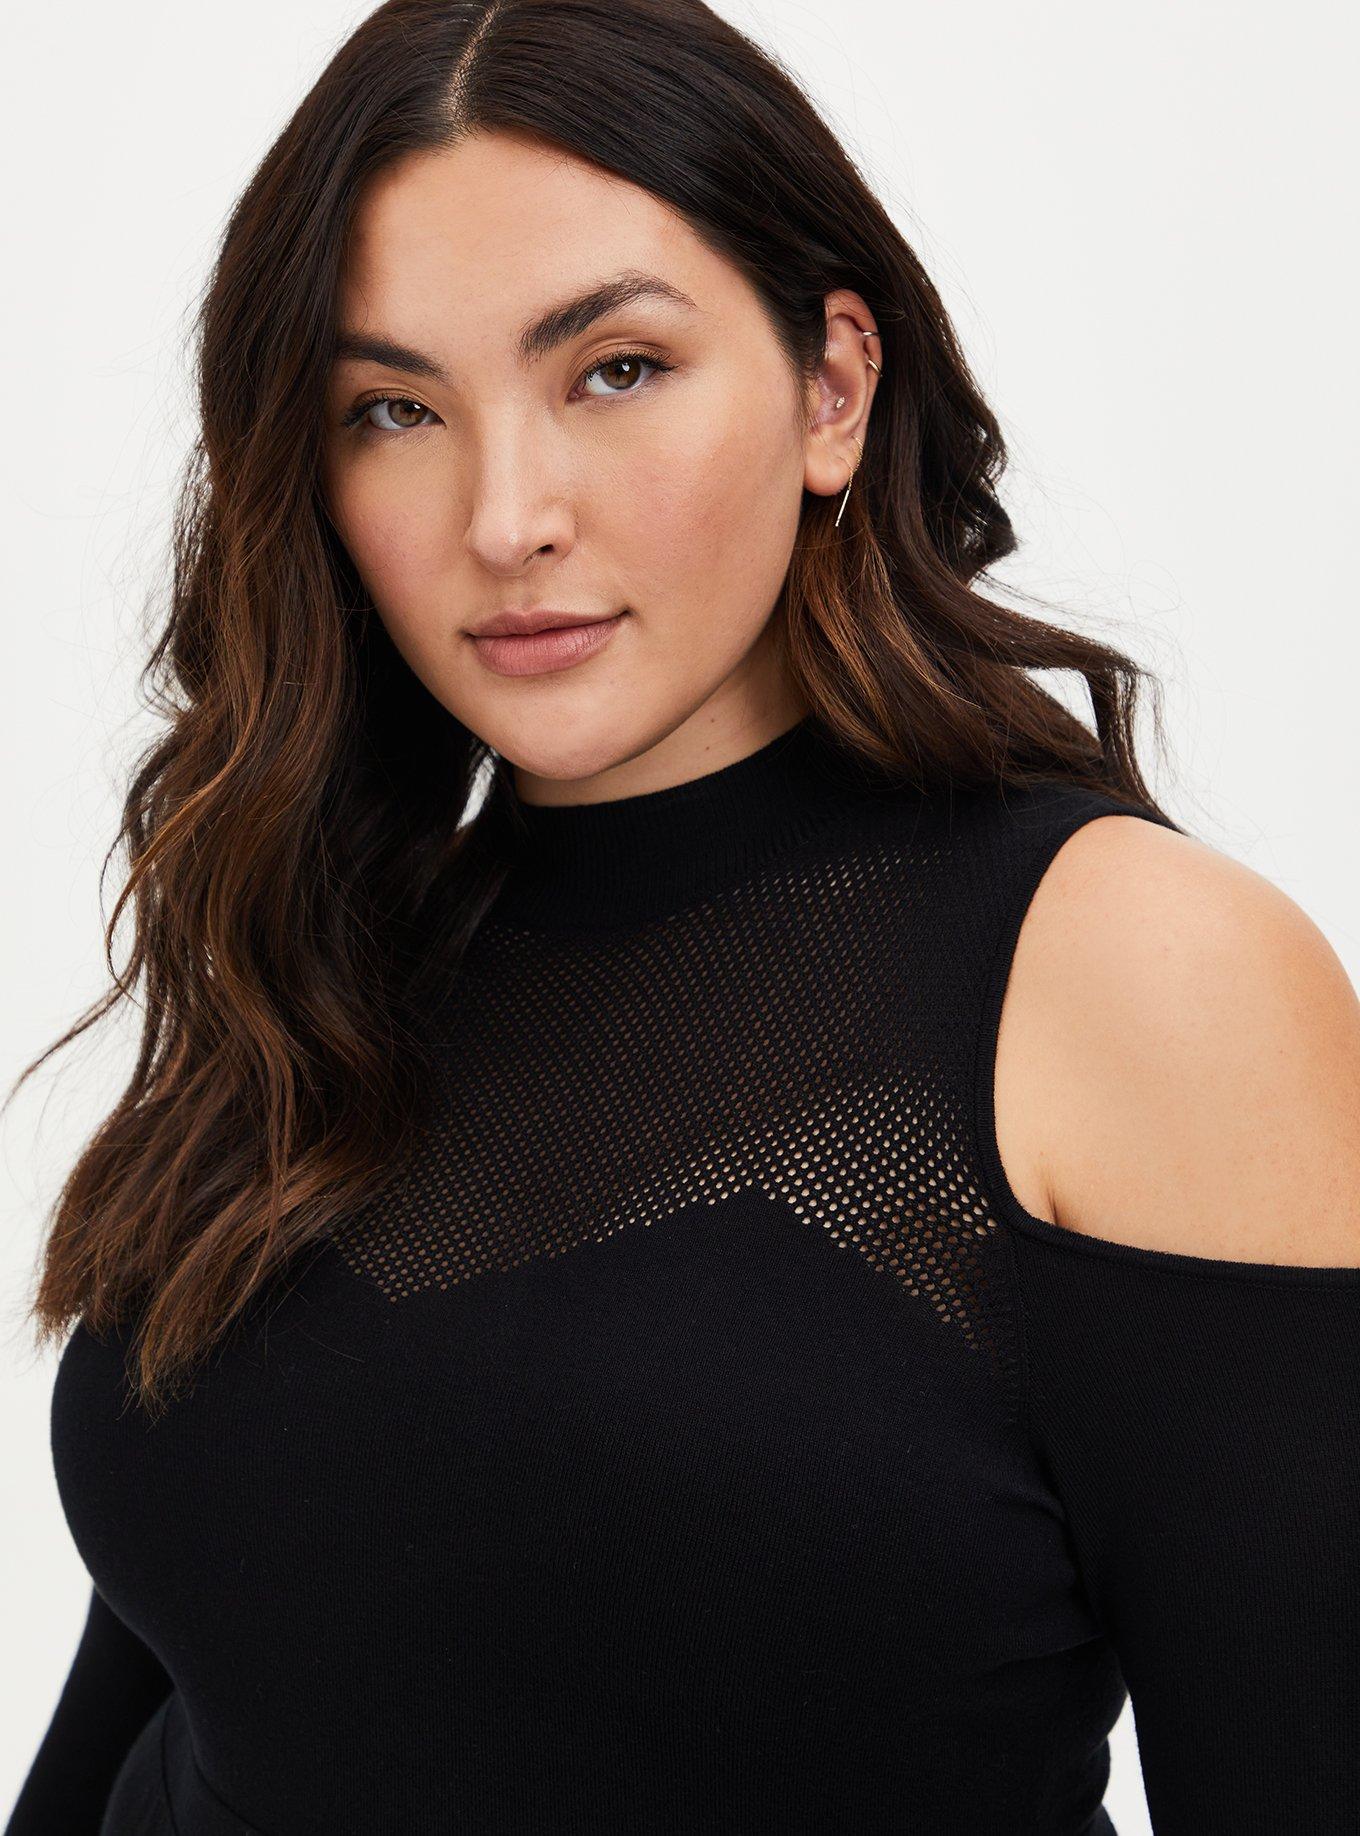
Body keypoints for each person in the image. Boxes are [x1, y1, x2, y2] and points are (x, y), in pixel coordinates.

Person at [7, 0, 1359, 1831]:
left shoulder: (1130, 973)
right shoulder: (332, 957)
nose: (507, 517)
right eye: (394, 409)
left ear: (833, 389)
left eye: (615, 370)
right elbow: (187, 1671)